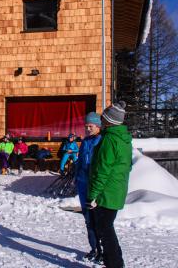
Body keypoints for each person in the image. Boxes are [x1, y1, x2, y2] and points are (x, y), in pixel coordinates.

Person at [87, 101, 131, 268]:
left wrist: (93, 194)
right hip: (116, 190)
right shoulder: (123, 138)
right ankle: (114, 263)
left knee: (105, 231)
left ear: (109, 121)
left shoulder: (110, 140)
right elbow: (127, 166)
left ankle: (115, 265)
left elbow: (102, 170)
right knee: (107, 229)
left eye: (103, 118)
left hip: (106, 193)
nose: (101, 121)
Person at [76, 112, 103, 263]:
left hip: (94, 186)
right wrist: (76, 177)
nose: (87, 128)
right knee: (88, 219)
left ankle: (102, 250)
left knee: (97, 220)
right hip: (82, 184)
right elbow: (80, 161)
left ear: (98, 126)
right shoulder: (85, 141)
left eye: (90, 126)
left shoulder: (101, 141)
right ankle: (94, 248)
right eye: (86, 126)